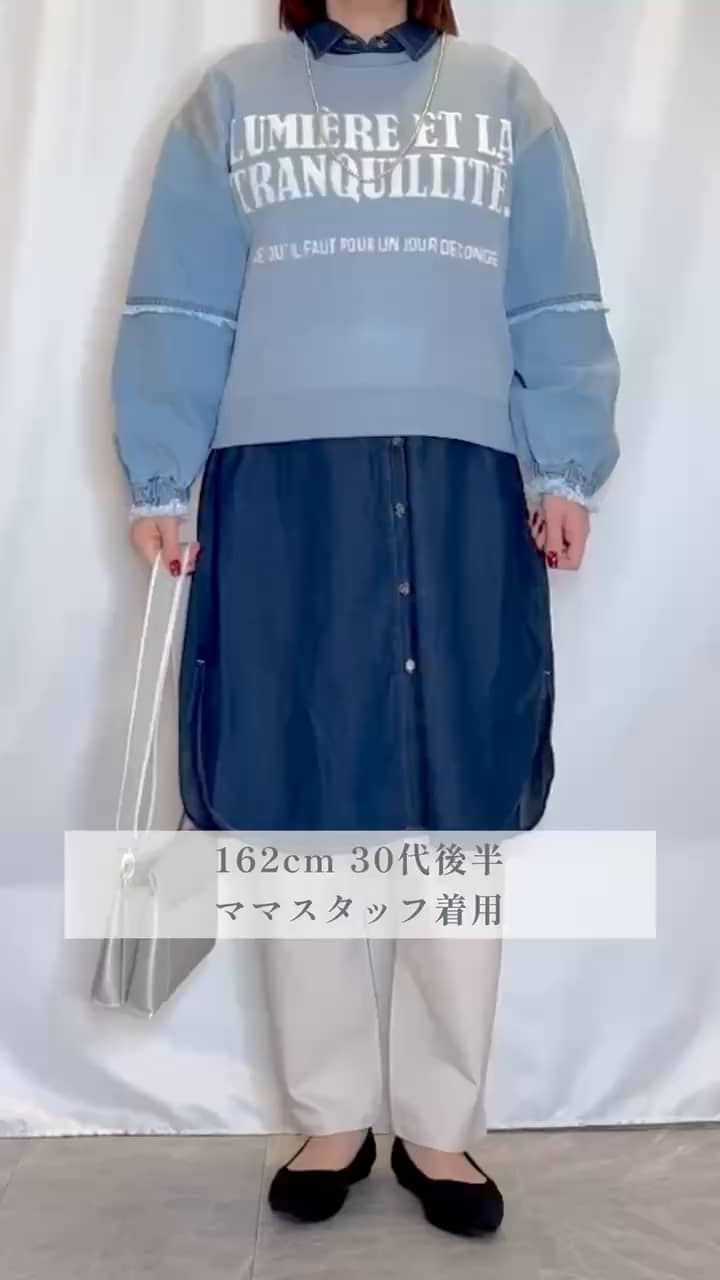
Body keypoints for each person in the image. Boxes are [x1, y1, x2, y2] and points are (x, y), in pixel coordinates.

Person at [112, 0, 620, 1239]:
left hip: (463, 480)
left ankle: (440, 1123)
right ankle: (331, 1112)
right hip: (284, 486)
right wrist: (162, 478)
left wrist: (564, 465)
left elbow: (553, 297)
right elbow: (181, 299)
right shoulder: (233, 96)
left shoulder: (503, 95)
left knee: (460, 795)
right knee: (301, 789)